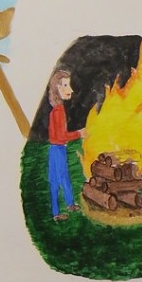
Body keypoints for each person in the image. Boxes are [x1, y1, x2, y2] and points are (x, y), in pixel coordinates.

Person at [47, 69, 86, 221]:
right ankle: (64, 207)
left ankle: (60, 210)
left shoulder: (57, 110)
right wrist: (79, 133)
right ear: (57, 88)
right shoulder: (58, 112)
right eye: (65, 85)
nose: (70, 90)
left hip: (55, 149)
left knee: (56, 180)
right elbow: (61, 136)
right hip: (58, 149)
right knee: (61, 178)